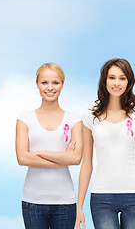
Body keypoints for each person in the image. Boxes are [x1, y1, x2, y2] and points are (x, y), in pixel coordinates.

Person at [75, 58, 135, 229]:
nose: (117, 83)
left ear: (129, 82)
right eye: (112, 77)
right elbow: (86, 164)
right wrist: (79, 206)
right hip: (101, 197)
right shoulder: (89, 117)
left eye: (122, 78)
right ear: (104, 80)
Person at [16, 63, 83, 229]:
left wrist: (38, 153)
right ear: (37, 85)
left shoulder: (74, 120)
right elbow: (22, 158)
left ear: (62, 84)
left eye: (55, 82)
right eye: (44, 82)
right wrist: (63, 158)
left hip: (65, 202)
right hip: (32, 201)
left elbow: (75, 159)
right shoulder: (24, 119)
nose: (50, 88)